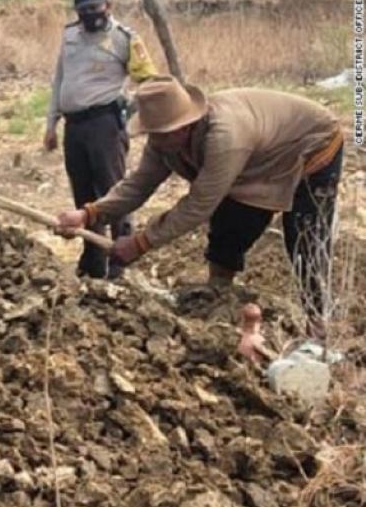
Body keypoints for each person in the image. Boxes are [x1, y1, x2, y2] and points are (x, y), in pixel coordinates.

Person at [57, 76, 343, 336]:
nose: (155, 141)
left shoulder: (225, 138)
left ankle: (319, 324)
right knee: (228, 228)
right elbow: (139, 184)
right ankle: (219, 296)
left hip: (311, 146)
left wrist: (141, 243)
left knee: (304, 238)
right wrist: (89, 213)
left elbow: (199, 205)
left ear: (187, 125)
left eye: (163, 133)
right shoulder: (163, 141)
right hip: (258, 161)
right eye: (152, 133)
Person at [45, 0, 158, 279]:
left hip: (105, 125)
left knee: (113, 192)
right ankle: (93, 260)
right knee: (83, 197)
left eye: (94, 8)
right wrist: (51, 123)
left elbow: (148, 80)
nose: (89, 15)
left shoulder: (125, 39)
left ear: (108, 6)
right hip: (74, 126)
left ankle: (120, 261)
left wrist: (128, 110)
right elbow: (59, 79)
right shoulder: (69, 35)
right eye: (83, 11)